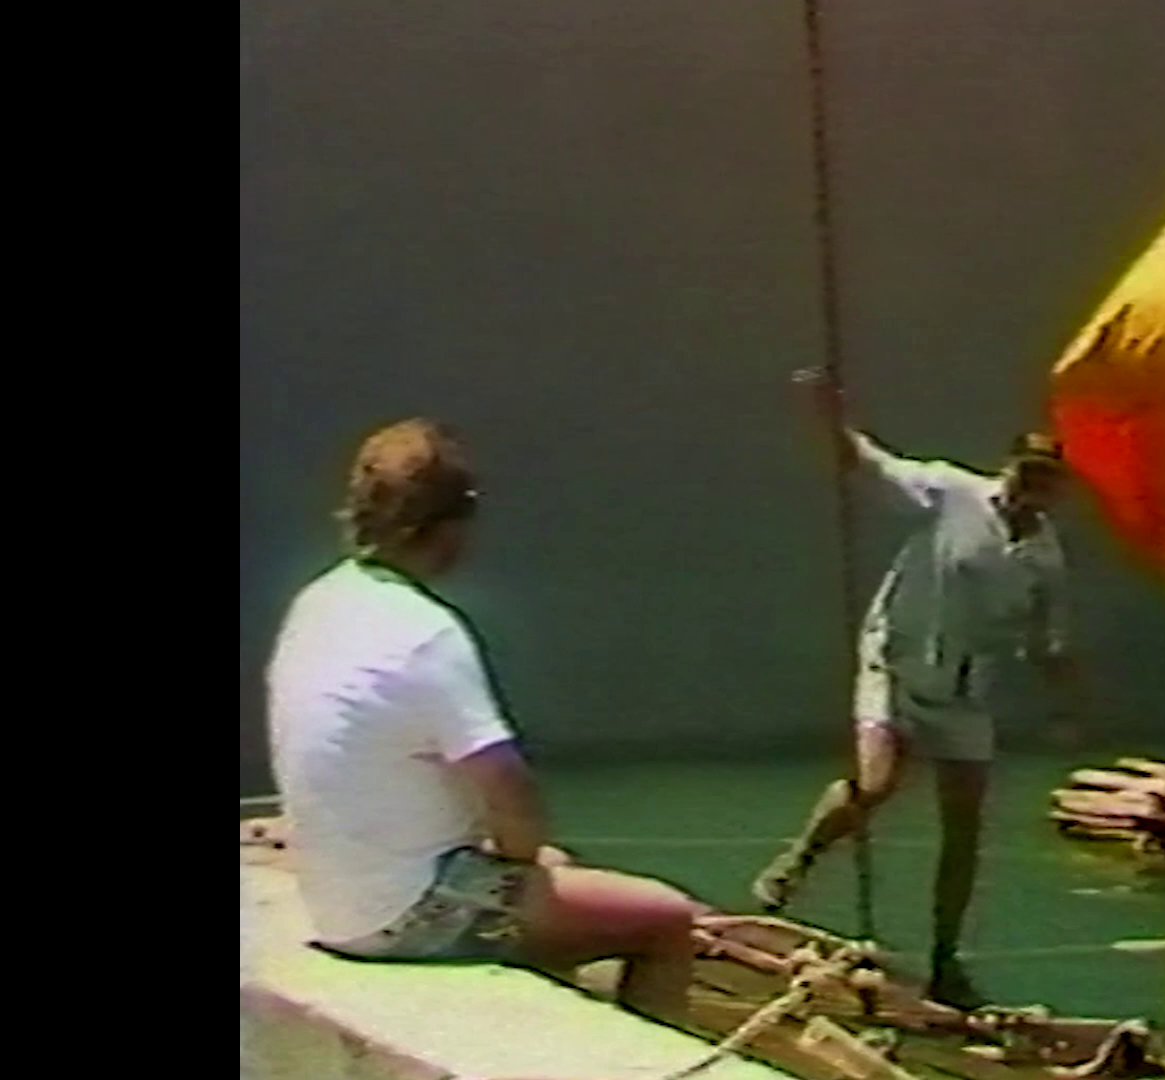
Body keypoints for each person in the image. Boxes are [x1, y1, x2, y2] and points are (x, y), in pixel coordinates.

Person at [265, 418, 703, 1017]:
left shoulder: (318, 603)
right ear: (450, 527)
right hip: (405, 916)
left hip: (334, 906)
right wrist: (525, 857)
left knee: (555, 876)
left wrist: (529, 863)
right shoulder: (427, 634)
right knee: (666, 919)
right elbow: (509, 793)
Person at [751, 369, 1087, 1009]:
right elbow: (867, 463)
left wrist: (1066, 704)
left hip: (963, 691)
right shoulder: (952, 492)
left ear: (1057, 489)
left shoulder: (1045, 556)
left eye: (1045, 480)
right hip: (896, 663)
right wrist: (828, 415)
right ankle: (800, 857)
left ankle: (945, 959)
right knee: (876, 784)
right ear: (1009, 467)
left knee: (964, 829)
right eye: (1026, 473)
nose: (1031, 488)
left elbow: (1049, 640)